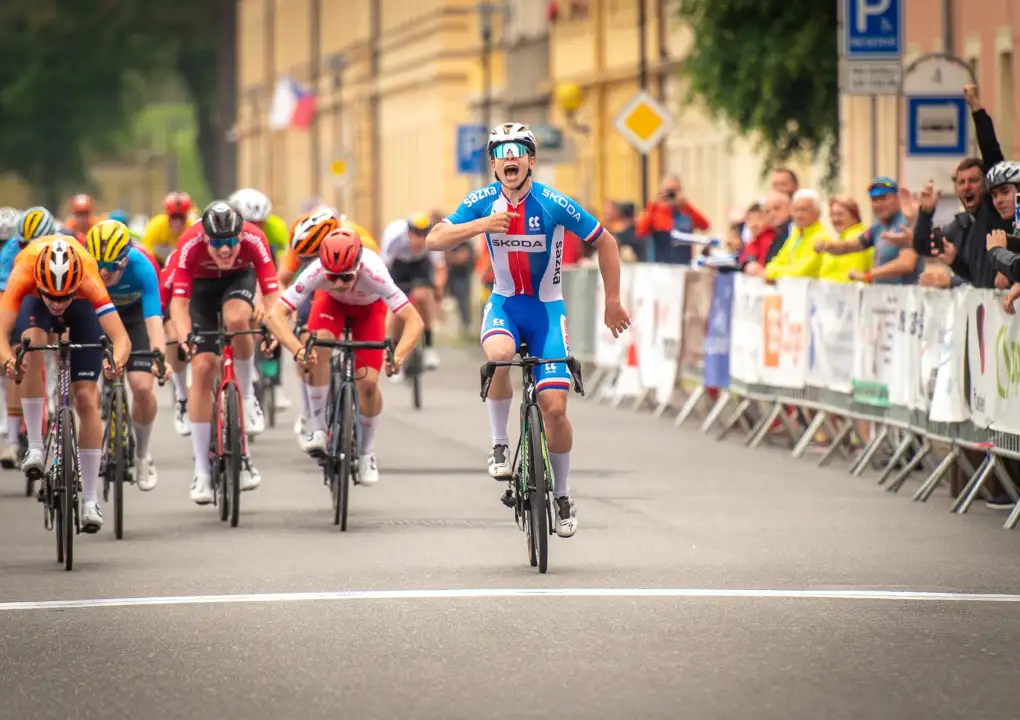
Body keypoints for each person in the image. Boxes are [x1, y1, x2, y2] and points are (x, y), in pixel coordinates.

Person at [426, 121, 631, 538]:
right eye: (501, 152)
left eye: (519, 150)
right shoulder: (482, 201)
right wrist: (482, 226)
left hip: (547, 311)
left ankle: (563, 494)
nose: (510, 157)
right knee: (499, 356)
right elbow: (435, 238)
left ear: (531, 161)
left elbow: (605, 241)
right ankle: (500, 442)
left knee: (555, 409)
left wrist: (612, 301)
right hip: (504, 305)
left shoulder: (552, 202)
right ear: (494, 164)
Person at [265, 228, 424, 485]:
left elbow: (414, 321)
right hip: (330, 305)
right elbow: (275, 315)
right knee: (317, 350)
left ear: (358, 265)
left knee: (368, 386)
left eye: (346, 277)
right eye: (333, 277)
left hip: (369, 312)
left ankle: (366, 453)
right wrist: (298, 349)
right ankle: (318, 428)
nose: (339, 283)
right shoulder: (316, 271)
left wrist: (398, 356)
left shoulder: (375, 273)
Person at [0, 237, 130, 532]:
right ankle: (33, 445)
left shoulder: (88, 275)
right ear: (40, 284)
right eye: (52, 296)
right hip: (34, 304)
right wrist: (9, 360)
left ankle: (89, 500)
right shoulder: (24, 270)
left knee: (86, 398)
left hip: (82, 306)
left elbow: (121, 338)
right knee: (30, 347)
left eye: (63, 297)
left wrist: (117, 361)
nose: (57, 304)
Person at [169, 201, 280, 505]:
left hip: (238, 281)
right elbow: (178, 304)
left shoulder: (254, 237)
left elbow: (272, 294)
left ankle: (246, 396)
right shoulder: (189, 243)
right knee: (203, 366)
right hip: (200, 290)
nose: (225, 249)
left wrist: (273, 327)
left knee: (236, 320)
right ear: (205, 238)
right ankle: (202, 472)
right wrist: (184, 337)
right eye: (217, 243)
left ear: (240, 236)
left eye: (231, 241)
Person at [85, 220, 172, 490]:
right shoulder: (85, 268)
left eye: (111, 266)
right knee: (84, 386)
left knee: (142, 388)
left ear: (125, 259)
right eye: (98, 263)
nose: (103, 271)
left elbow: (154, 318)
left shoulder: (142, 265)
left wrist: (160, 357)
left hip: (134, 318)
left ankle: (143, 453)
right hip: (96, 315)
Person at [380, 212, 446, 371]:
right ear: (408, 233)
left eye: (422, 240)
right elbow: (383, 269)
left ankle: (429, 347)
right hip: (398, 267)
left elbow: (440, 268)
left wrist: (438, 289)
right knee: (397, 310)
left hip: (420, 267)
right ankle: (395, 352)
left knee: (422, 296)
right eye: (416, 239)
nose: (419, 244)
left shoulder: (434, 238)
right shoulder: (393, 236)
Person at [227, 188, 289, 260]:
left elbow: (281, 262)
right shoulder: (226, 229)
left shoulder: (278, 227)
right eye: (250, 223)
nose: (255, 229)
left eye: (260, 223)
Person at [141, 192, 196, 266]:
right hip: (157, 265)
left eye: (181, 218)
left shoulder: (192, 229)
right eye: (173, 217)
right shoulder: (155, 226)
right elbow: (145, 255)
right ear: (167, 215)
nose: (178, 223)